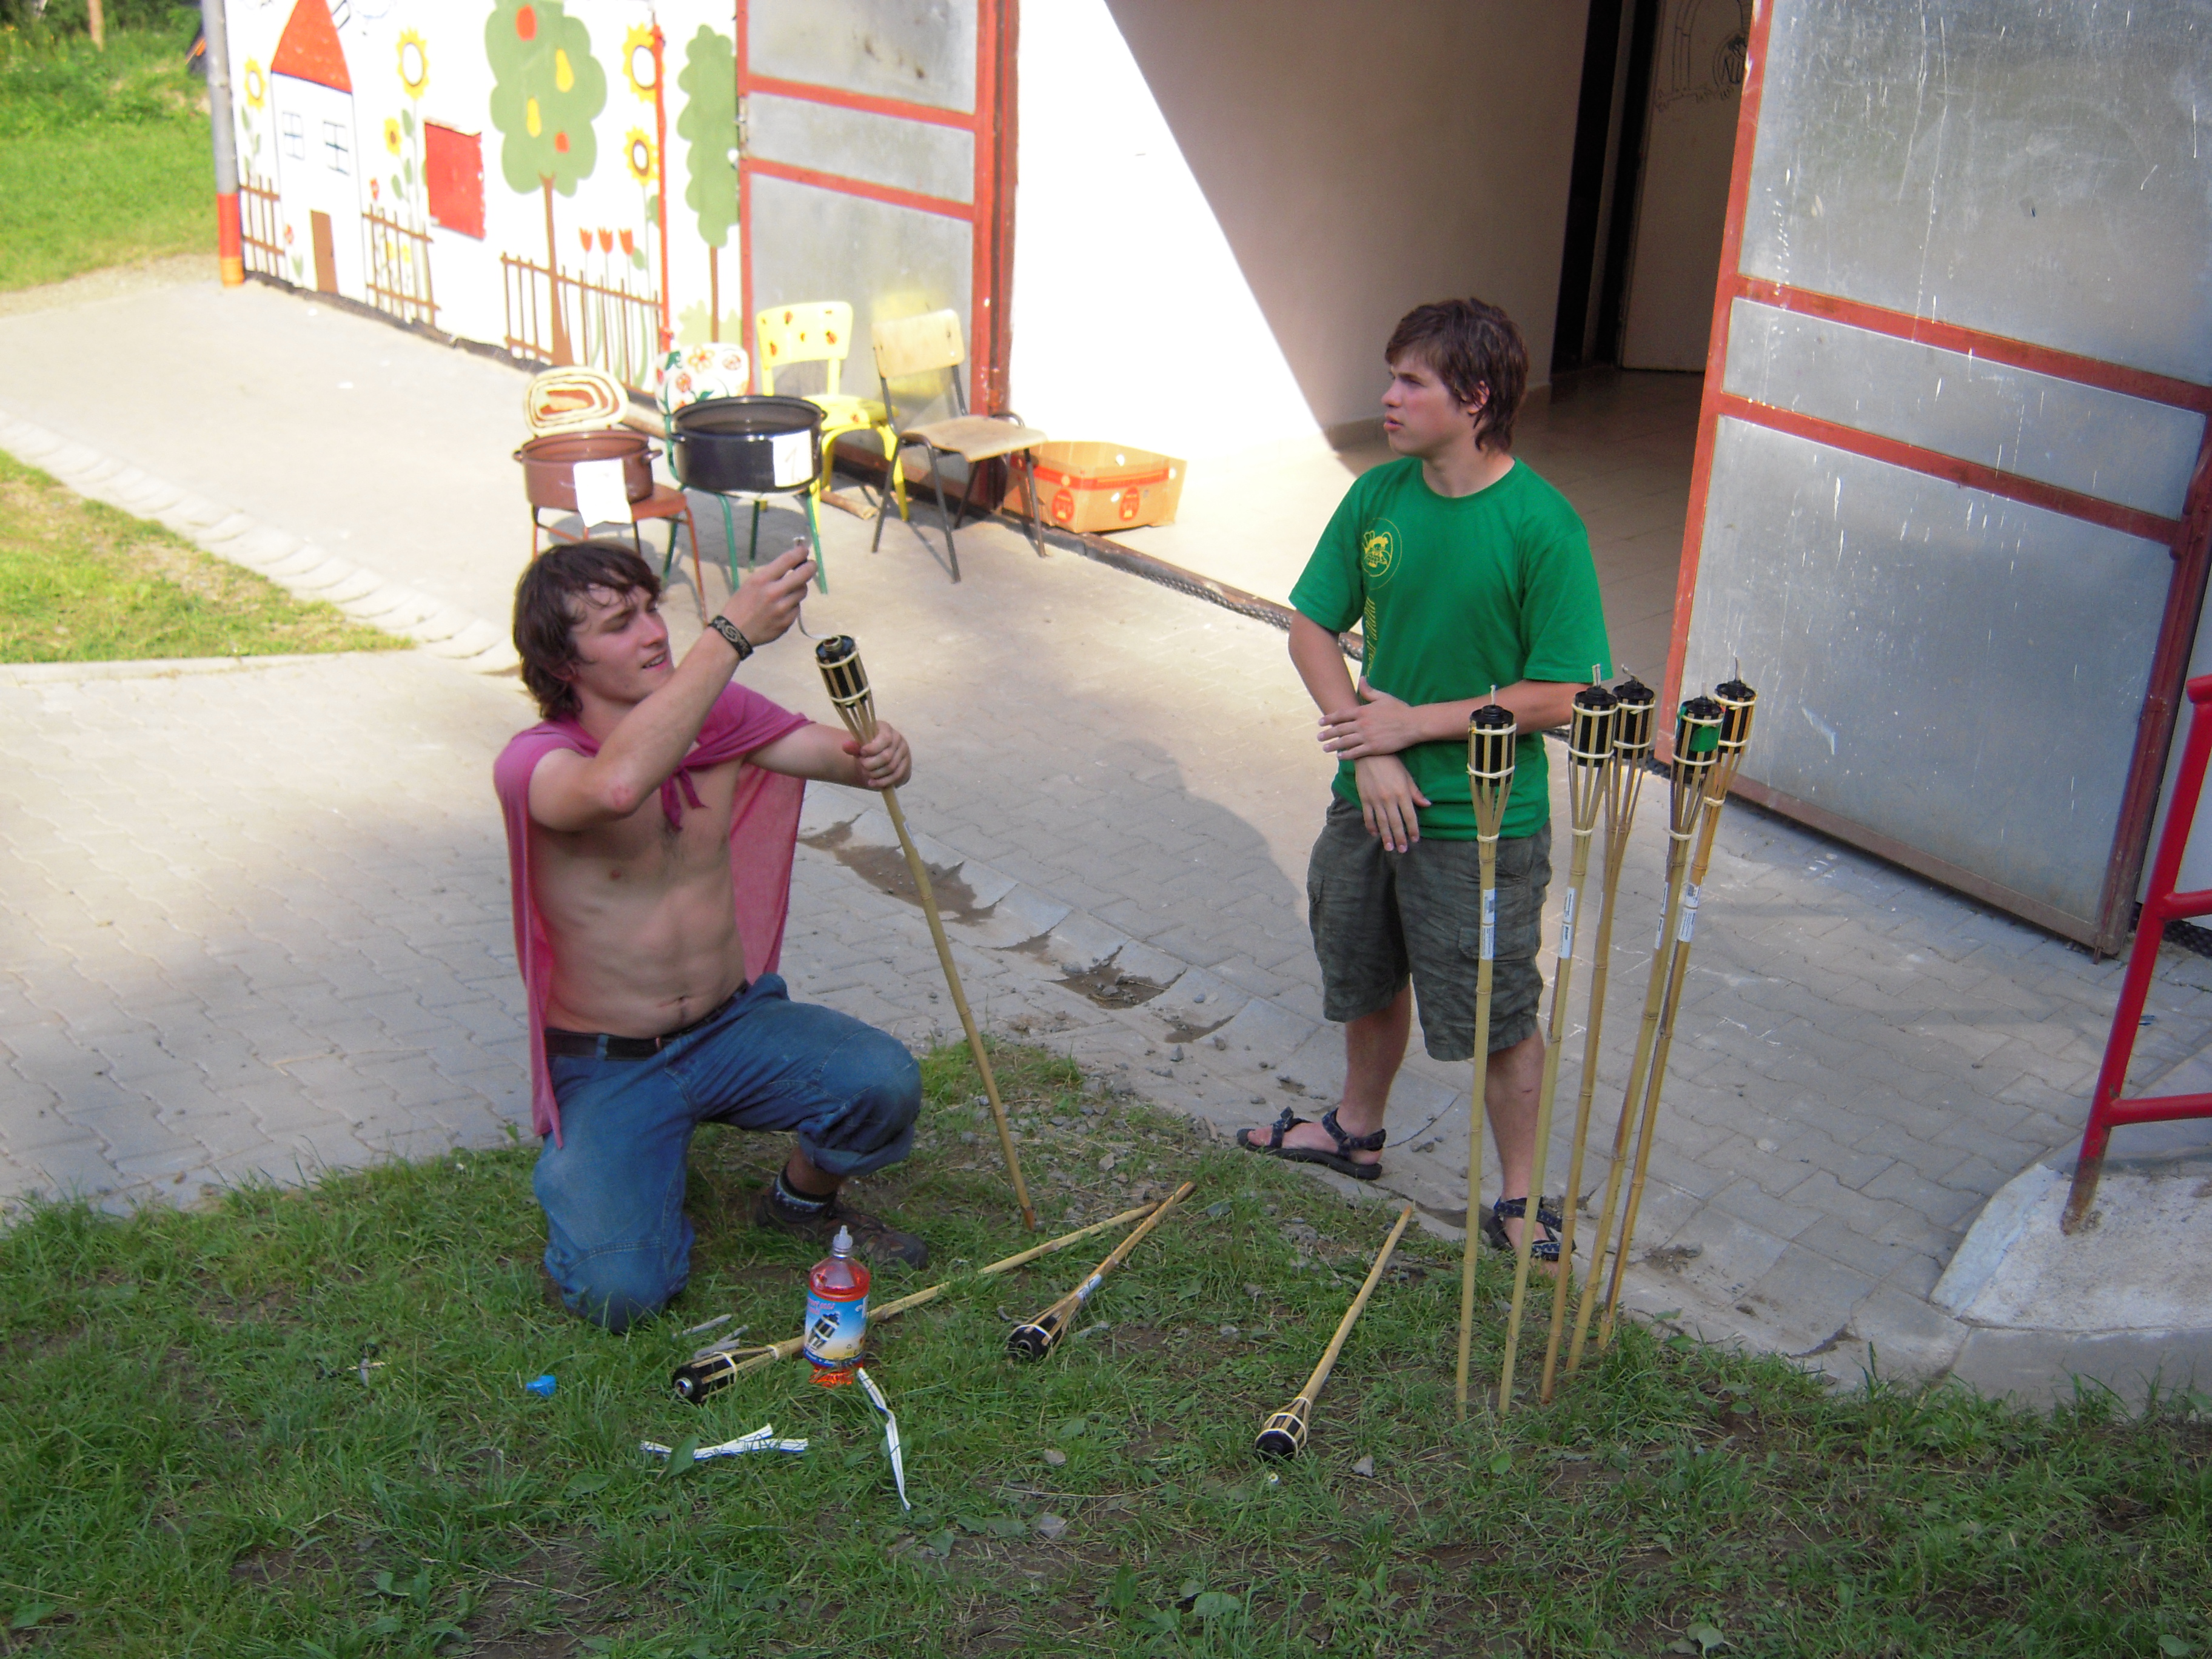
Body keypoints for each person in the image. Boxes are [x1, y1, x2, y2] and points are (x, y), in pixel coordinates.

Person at [1238, 298, 1612, 1263]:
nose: (1389, 397)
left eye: (1412, 381)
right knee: (1363, 969)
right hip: (1369, 799)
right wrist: (1372, 752)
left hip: (1482, 820)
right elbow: (1311, 625)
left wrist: (1414, 725)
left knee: (1497, 1010)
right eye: (1391, 377)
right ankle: (1356, 1132)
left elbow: (1568, 692)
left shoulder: (1542, 526)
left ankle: (1520, 1198)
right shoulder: (1378, 495)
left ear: (1475, 398)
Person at [494, 538, 928, 1331]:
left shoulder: (716, 718)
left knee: (881, 1079)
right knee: (621, 1294)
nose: (653, 633)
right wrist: (728, 635)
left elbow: (838, 756)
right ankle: (607, 1186)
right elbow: (618, 786)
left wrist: (880, 752)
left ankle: (800, 1203)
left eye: (650, 608)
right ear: (562, 662)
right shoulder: (537, 764)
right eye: (618, 625)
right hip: (611, 1064)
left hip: (732, 1026)